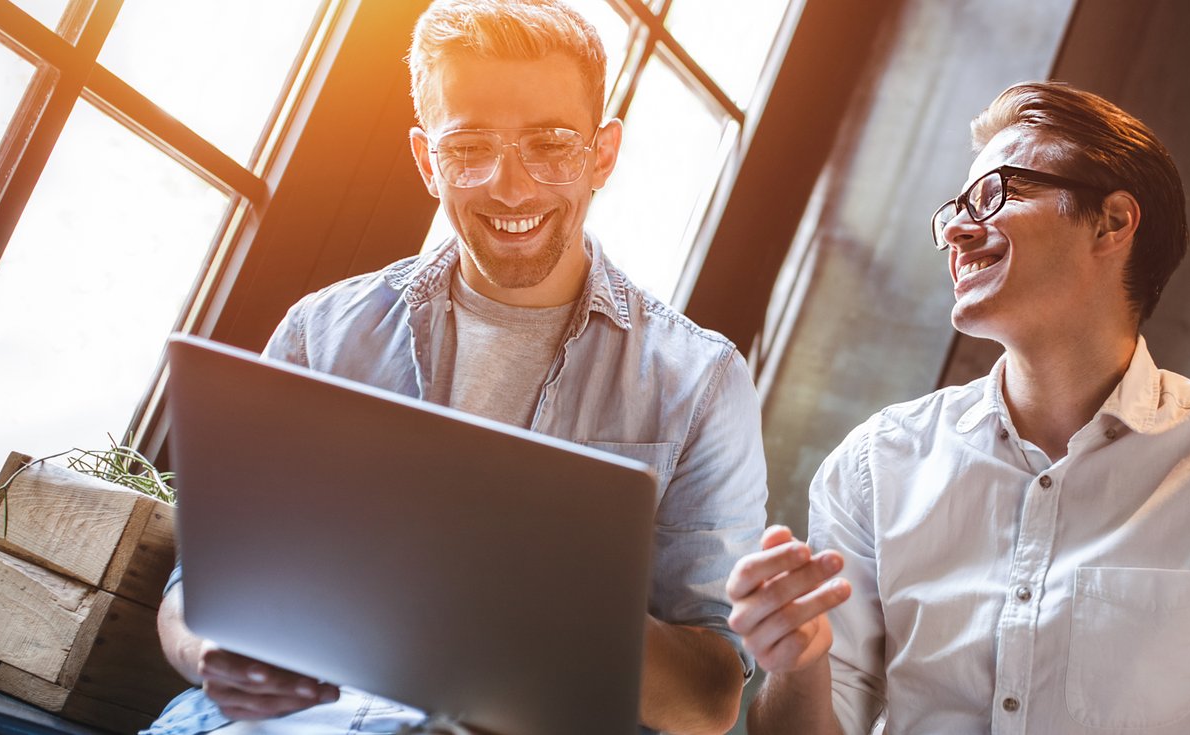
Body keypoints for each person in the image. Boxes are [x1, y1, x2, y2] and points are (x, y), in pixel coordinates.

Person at [727, 81, 1190, 734]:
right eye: (953, 209)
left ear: (1112, 222)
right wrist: (798, 657)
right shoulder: (875, 464)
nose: (955, 230)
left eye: (994, 195)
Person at [143, 1, 764, 733]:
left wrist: (540, 597)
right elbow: (197, 590)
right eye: (469, 147)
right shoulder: (321, 332)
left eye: (550, 144)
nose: (511, 186)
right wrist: (212, 648)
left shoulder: (699, 383)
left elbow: (710, 699)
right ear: (425, 161)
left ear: (602, 154)